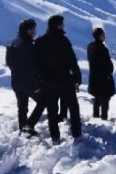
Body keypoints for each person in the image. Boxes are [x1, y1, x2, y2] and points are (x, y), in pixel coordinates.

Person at [34, 15, 83, 143]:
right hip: (64, 79)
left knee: (52, 109)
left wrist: (39, 79)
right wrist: (77, 76)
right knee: (73, 106)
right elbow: (72, 60)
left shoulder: (40, 41)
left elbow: (36, 63)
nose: (63, 26)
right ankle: (76, 133)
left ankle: (55, 136)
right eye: (62, 24)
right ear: (58, 25)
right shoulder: (63, 40)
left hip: (48, 81)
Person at [5, 19, 40, 134]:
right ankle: (29, 125)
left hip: (16, 81)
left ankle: (23, 129)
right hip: (28, 83)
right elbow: (33, 67)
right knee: (44, 101)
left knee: (22, 107)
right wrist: (36, 84)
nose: (34, 32)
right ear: (27, 30)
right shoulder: (28, 44)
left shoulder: (12, 42)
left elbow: (9, 62)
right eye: (33, 29)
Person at [87, 27, 116, 120]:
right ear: (100, 36)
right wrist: (110, 70)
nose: (104, 37)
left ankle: (95, 117)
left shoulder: (90, 46)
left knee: (97, 97)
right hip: (103, 77)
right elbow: (107, 63)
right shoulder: (102, 49)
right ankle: (104, 117)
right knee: (105, 98)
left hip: (94, 76)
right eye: (103, 35)